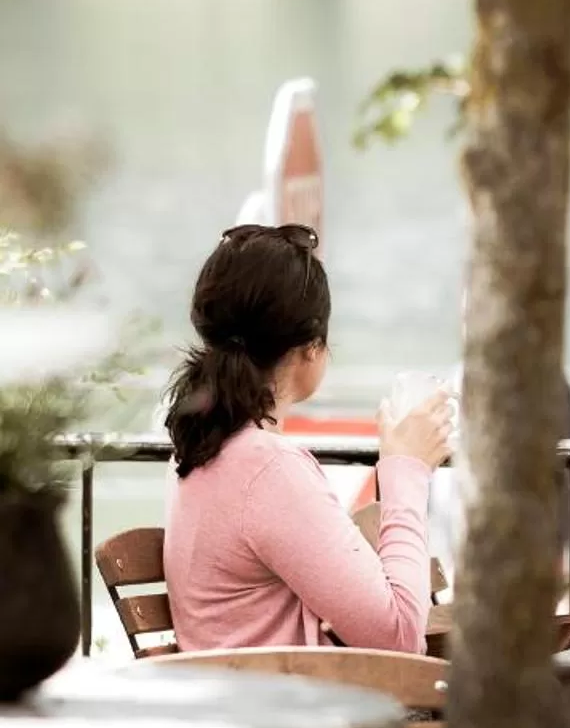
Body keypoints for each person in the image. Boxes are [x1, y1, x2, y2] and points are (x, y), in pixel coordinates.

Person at [163, 224, 452, 653]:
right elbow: (401, 637)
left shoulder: (204, 447)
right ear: (312, 346)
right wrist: (406, 469)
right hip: (287, 710)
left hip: (241, 698)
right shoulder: (268, 467)